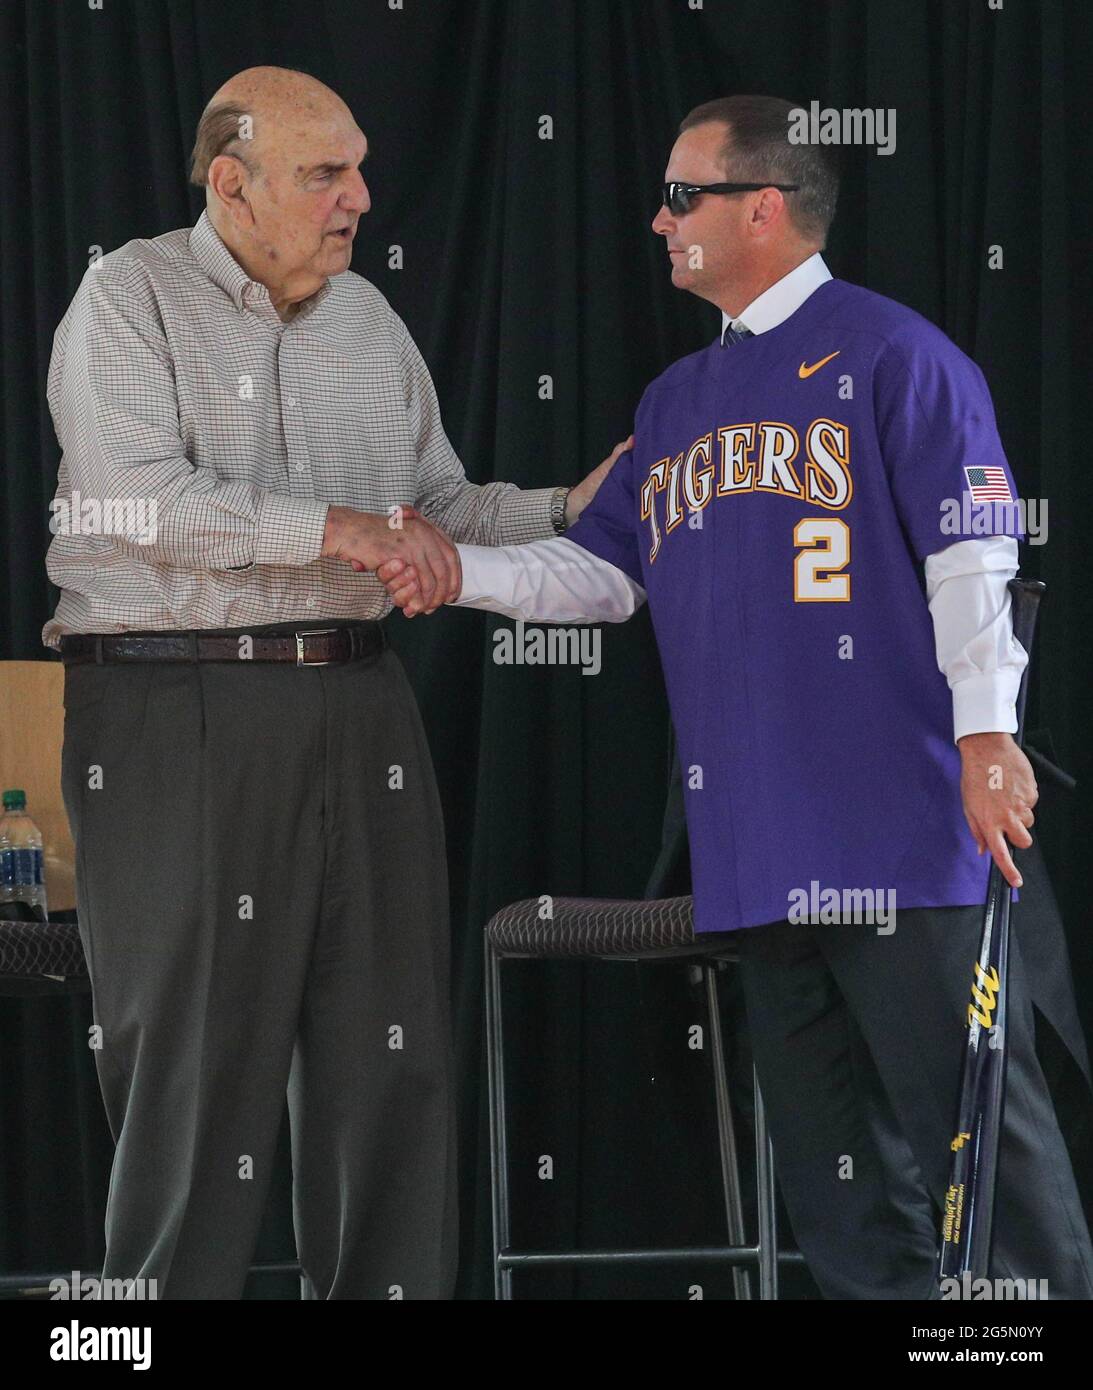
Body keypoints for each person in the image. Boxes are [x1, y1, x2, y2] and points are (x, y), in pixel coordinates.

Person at [379, 95, 1093, 1299]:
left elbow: (972, 557)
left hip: (906, 830)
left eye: (680, 195)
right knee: (838, 1183)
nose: (657, 221)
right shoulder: (674, 403)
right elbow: (603, 577)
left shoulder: (899, 354)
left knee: (983, 1158)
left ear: (763, 207)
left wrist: (986, 737)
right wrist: (459, 573)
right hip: (760, 850)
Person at [42, 65, 625, 1300]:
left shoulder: (369, 319)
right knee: (197, 1073)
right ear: (232, 184)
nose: (360, 196)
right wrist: (343, 531)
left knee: (388, 1062)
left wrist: (584, 504)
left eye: (360, 167)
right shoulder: (127, 295)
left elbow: (447, 510)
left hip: (360, 701)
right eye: (327, 174)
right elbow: (140, 501)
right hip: (174, 706)